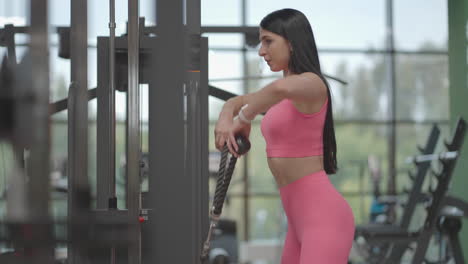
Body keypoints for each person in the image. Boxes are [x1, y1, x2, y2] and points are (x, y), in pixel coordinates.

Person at [214, 8, 355, 264]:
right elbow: (235, 101)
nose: (261, 51)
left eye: (268, 41)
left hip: (324, 219)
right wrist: (227, 119)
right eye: (260, 42)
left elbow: (278, 88)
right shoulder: (279, 101)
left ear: (291, 43)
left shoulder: (312, 84)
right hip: (297, 224)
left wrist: (244, 119)